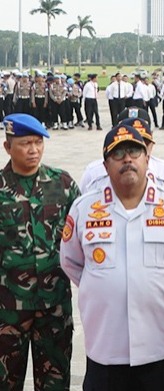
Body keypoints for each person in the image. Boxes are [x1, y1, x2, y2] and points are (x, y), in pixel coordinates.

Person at [60, 124, 164, 391]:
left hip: (160, 344)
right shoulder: (84, 208)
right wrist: (104, 285)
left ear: (147, 158)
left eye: (134, 152)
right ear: (105, 164)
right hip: (106, 345)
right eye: (118, 154)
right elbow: (71, 263)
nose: (127, 159)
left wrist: (150, 284)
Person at [0, 113, 80, 390]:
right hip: (8, 310)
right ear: (8, 147)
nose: (34, 150)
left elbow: (82, 239)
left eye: (38, 142)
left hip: (54, 305)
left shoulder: (63, 185)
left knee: (55, 381)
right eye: (25, 143)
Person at [79, 107, 164, 193]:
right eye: (126, 145)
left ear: (152, 142)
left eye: (143, 143)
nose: (129, 157)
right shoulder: (93, 173)